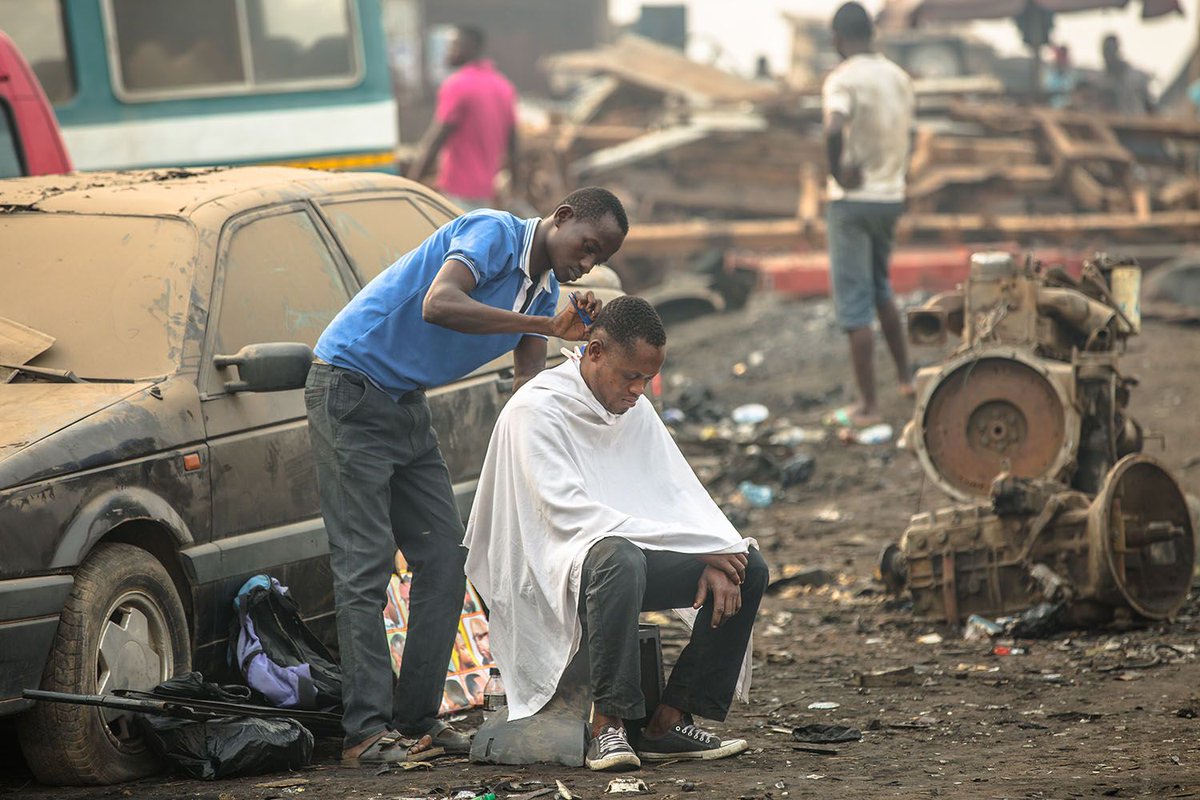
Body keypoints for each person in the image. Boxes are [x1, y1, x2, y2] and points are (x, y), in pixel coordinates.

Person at [306, 187, 628, 766]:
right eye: (586, 246)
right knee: (365, 563)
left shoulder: (546, 292)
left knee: (446, 562)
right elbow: (440, 303)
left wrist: (587, 362)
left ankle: (416, 722)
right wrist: (544, 322)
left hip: (404, 401)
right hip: (349, 385)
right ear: (561, 218)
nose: (586, 264)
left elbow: (528, 382)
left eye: (597, 259)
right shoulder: (493, 233)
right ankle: (363, 735)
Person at [464, 296, 769, 772]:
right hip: (546, 566)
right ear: (595, 351)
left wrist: (715, 553)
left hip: (615, 556)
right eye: (631, 376)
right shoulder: (537, 410)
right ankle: (609, 727)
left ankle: (667, 723)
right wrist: (695, 548)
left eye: (647, 379)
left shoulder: (633, 409)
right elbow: (571, 517)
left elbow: (678, 494)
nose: (638, 390)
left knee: (745, 565)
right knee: (618, 557)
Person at [821, 1, 915, 430]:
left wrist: (837, 171)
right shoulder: (898, 77)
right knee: (881, 288)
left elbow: (834, 126)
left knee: (855, 306)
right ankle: (906, 379)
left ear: (838, 38)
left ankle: (868, 407)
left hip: (853, 202)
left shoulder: (843, 79)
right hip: (890, 196)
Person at [408, 25, 517, 210]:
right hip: (488, 191)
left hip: (459, 191)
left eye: (454, 45)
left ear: (472, 48)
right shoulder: (503, 86)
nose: (447, 51)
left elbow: (437, 138)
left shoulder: (457, 85)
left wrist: (412, 185)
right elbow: (513, 141)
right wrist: (516, 185)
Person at [1100, 34, 1153, 116]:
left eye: (1110, 51)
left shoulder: (1136, 78)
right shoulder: (1101, 81)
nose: (1108, 56)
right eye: (1106, 52)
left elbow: (1150, 106)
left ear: (1117, 51)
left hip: (1137, 124)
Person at [1043, 44, 1078, 109]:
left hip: (1064, 98)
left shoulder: (1068, 73)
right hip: (1053, 98)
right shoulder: (1052, 71)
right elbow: (1049, 87)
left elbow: (1069, 87)